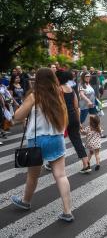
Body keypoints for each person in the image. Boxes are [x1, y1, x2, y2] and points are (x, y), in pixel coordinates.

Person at [11, 67, 74, 222]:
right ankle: (67, 212)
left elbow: (17, 116)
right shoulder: (58, 94)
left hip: (37, 140)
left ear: (37, 80)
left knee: (33, 176)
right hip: (56, 138)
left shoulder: (34, 96)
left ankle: (26, 202)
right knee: (61, 175)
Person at [56, 70, 91, 173]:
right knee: (77, 141)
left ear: (57, 79)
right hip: (73, 118)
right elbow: (76, 107)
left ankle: (52, 164)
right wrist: (79, 121)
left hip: (62, 119)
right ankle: (86, 163)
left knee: (58, 141)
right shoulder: (71, 89)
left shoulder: (58, 90)